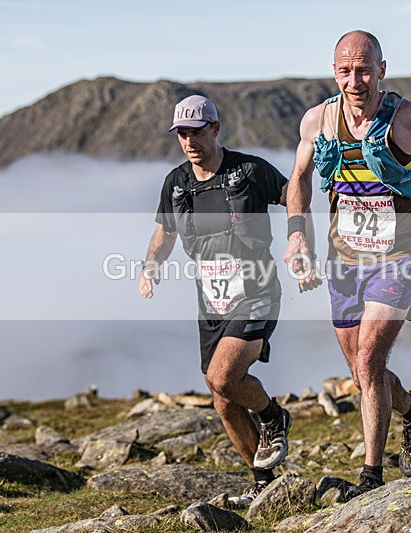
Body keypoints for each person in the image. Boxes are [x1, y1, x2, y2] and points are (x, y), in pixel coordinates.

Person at [283, 30, 411, 498]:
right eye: (345, 71)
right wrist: (296, 236)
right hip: (343, 260)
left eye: (364, 70)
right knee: (363, 373)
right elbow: (298, 180)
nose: (355, 80)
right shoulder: (318, 121)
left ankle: (370, 479)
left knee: (368, 361)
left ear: (382, 70)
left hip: (399, 258)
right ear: (334, 72)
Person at [139, 95, 296, 507]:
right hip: (211, 300)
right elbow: (165, 233)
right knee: (223, 401)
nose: (189, 141)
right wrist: (150, 264)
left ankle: (273, 416)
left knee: (224, 376)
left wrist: (301, 238)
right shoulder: (176, 184)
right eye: (182, 134)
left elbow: (293, 194)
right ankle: (263, 482)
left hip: (257, 290)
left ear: (215, 128)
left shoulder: (249, 170)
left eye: (196, 131)